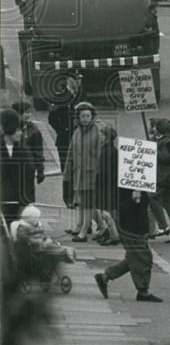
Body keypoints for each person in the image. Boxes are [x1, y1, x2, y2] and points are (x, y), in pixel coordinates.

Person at [94, 187, 162, 303]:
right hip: (130, 223)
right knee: (142, 256)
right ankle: (142, 291)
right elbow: (122, 204)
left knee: (135, 256)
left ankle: (105, 277)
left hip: (135, 221)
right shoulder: (124, 183)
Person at [64, 102, 106, 242]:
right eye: (83, 116)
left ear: (92, 116)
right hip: (79, 174)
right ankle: (101, 226)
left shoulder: (97, 132)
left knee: (88, 203)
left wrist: (100, 173)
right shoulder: (77, 131)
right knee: (82, 202)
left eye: (88, 116)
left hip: (91, 174)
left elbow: (101, 154)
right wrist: (67, 172)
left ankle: (84, 230)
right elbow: (71, 152)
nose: (85, 119)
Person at [148, 118, 170, 242]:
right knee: (168, 205)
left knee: (152, 197)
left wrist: (152, 149)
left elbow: (166, 157)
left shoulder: (167, 141)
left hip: (163, 176)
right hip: (163, 176)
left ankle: (164, 226)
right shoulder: (164, 140)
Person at [47, 71, 83, 173]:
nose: (79, 81)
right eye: (76, 79)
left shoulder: (81, 94)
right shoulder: (59, 96)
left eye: (80, 79)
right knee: (67, 170)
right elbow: (52, 119)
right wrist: (62, 130)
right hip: (65, 138)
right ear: (69, 80)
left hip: (79, 137)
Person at [0, 108, 32, 225]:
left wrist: (25, 201)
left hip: (17, 202)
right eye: (18, 130)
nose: (20, 133)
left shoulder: (24, 151)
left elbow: (28, 178)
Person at [11, 101, 45, 206]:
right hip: (10, 169)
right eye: (25, 112)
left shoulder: (34, 131)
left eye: (29, 112)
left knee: (26, 199)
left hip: (27, 170)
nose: (28, 115)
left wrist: (40, 170)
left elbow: (38, 152)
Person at [92, 125, 121, 246]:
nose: (100, 137)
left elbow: (103, 171)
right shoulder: (111, 150)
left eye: (102, 135)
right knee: (106, 211)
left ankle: (114, 235)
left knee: (106, 212)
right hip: (110, 185)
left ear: (107, 138)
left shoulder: (107, 152)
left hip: (106, 186)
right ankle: (111, 233)